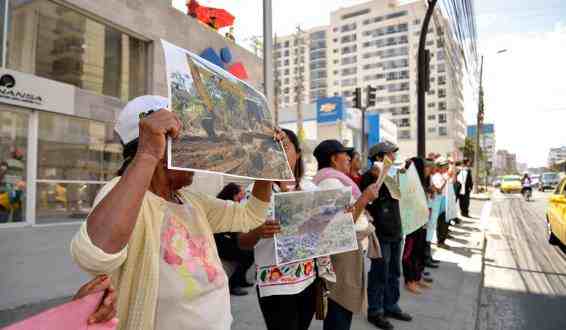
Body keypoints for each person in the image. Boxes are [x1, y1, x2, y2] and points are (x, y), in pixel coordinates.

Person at [70, 95, 274, 330]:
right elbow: (93, 256)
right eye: (189, 145)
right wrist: (147, 155)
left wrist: (267, 166)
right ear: (161, 145)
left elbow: (250, 216)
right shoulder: (122, 193)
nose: (199, 156)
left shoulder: (189, 201)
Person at [238, 128, 327, 330]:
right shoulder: (254, 192)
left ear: (297, 153)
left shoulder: (310, 189)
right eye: (272, 147)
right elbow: (242, 241)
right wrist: (258, 231)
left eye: (284, 145)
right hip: (275, 285)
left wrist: (338, 216)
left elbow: (323, 234)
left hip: (309, 280)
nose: (278, 151)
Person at [311, 139, 381, 330]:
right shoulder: (330, 182)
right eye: (345, 155)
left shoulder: (336, 179)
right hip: (341, 256)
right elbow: (340, 225)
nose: (349, 158)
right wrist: (365, 197)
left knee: (342, 309)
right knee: (339, 308)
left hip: (347, 252)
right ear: (334, 158)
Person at [361, 141, 412, 330]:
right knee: (379, 273)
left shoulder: (392, 175)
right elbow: (367, 202)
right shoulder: (368, 177)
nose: (395, 157)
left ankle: (391, 305)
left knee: (394, 272)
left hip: (396, 230)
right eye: (391, 154)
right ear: (380, 157)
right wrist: (377, 178)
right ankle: (375, 311)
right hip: (381, 233)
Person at [213, 183, 255, 296]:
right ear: (233, 194)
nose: (243, 196)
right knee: (246, 255)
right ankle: (234, 284)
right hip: (221, 242)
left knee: (249, 253)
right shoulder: (224, 206)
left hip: (228, 239)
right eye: (241, 194)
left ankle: (241, 280)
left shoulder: (231, 205)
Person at [401, 157, 432, 295]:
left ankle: (417, 277)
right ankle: (409, 280)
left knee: (419, 251)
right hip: (412, 223)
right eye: (425, 167)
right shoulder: (408, 182)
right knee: (410, 253)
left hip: (422, 222)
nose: (428, 169)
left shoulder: (421, 183)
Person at [432, 157, 450, 249]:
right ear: (439, 167)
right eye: (444, 166)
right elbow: (438, 190)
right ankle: (440, 242)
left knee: (445, 222)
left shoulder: (443, 176)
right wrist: (445, 181)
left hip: (444, 200)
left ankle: (442, 240)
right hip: (438, 201)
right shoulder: (436, 176)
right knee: (441, 222)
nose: (446, 168)